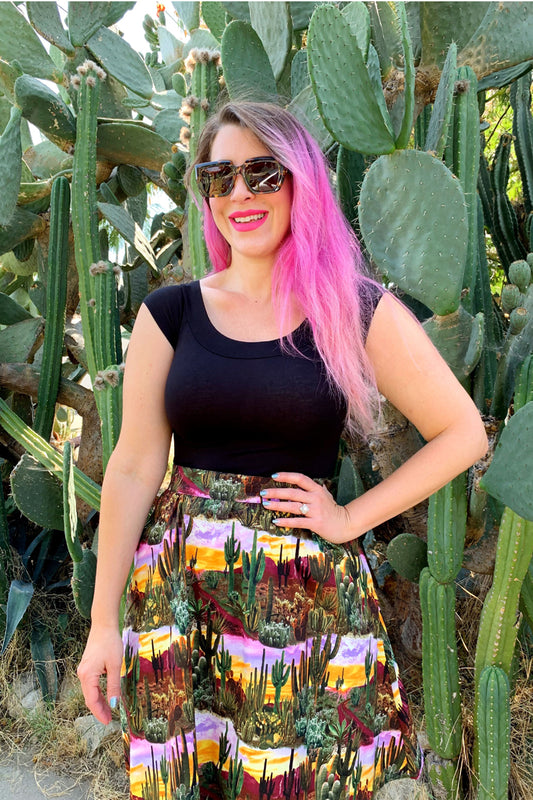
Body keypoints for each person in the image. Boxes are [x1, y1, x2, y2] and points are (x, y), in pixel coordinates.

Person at [77, 101, 488, 800]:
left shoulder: (352, 308)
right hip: (179, 596)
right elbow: (134, 465)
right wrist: (102, 620)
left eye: (262, 173)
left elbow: (464, 433)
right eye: (220, 176)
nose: (240, 193)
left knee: (299, 780)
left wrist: (349, 519)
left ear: (300, 182)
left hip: (305, 605)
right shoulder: (170, 313)